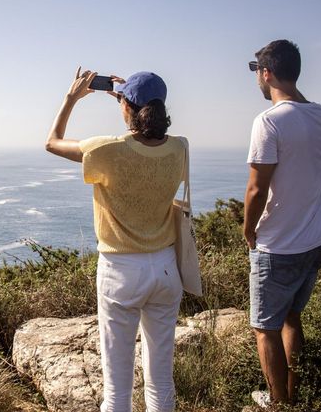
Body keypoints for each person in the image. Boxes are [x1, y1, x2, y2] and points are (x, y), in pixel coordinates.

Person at [46, 68, 187, 412]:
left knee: (117, 388)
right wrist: (127, 103)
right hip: (166, 269)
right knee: (161, 378)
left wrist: (70, 99)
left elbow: (51, 142)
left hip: (122, 271)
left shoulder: (107, 149)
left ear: (126, 107)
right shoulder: (180, 148)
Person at [243, 40, 321, 408]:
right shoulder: (320, 114)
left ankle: (279, 404)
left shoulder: (268, 122)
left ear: (267, 73)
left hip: (279, 246)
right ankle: (294, 393)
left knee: (264, 328)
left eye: (258, 74)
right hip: (316, 240)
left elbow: (256, 189)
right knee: (291, 317)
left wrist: (249, 230)